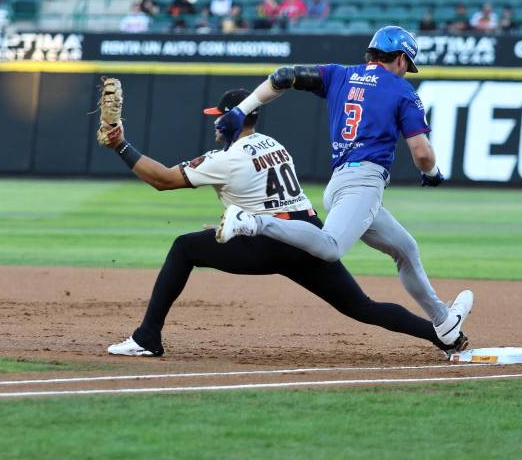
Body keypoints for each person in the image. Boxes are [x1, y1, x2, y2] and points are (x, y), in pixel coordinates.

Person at [96, 85, 466, 357]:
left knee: (183, 248)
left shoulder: (226, 158)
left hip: (268, 243)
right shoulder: (274, 144)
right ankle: (442, 336)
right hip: (307, 235)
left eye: (217, 117)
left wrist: (121, 147)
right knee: (361, 307)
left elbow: (162, 180)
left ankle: (147, 338)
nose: (214, 123)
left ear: (231, 118)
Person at [213, 26, 474, 348]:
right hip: (362, 184)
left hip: (341, 183)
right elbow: (422, 153)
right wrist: (433, 173)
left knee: (405, 249)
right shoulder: (402, 91)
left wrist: (241, 110)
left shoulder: (339, 75)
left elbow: (282, 76)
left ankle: (443, 322)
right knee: (331, 247)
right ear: (403, 59)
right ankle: (251, 221)